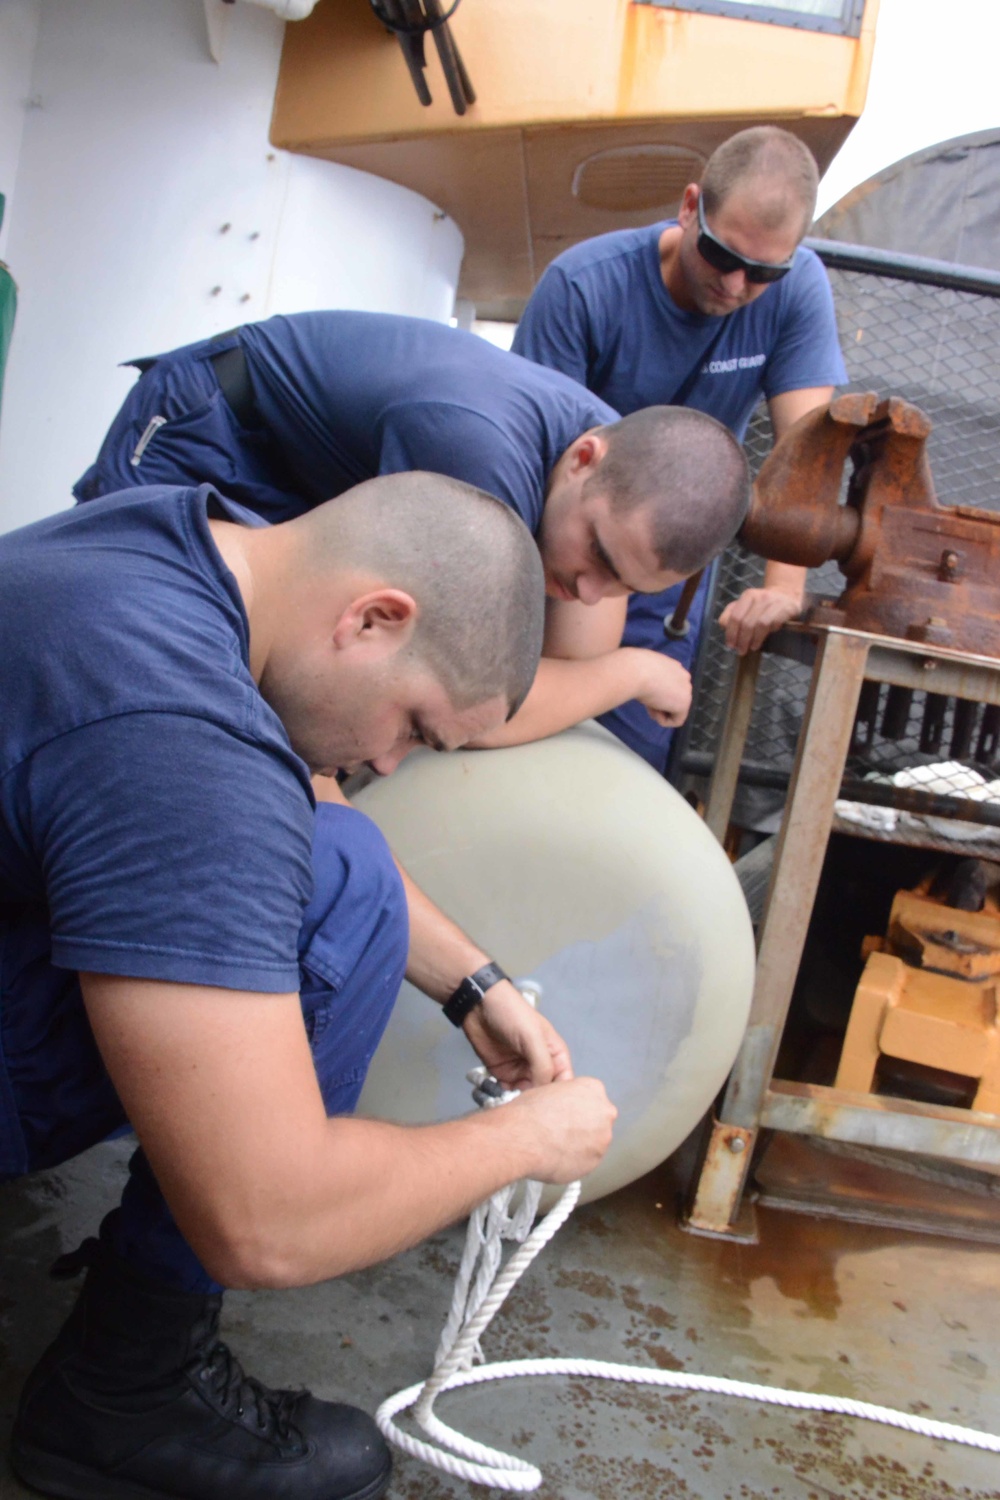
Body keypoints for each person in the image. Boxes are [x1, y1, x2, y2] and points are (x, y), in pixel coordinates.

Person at [0, 472, 617, 1500]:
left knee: (347, 859)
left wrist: (471, 985)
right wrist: (528, 1140)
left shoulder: (163, 546)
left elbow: (296, 808)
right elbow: (268, 1223)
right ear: (374, 618)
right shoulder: (180, 741)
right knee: (343, 888)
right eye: (415, 726)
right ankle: (124, 1396)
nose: (385, 758)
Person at [74, 309, 751, 750]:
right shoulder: (478, 454)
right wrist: (633, 671)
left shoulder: (620, 481)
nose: (585, 587)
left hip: (292, 482)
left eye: (621, 585)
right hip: (211, 431)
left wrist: (594, 662)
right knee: (150, 672)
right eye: (598, 553)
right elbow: (483, 706)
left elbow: (563, 670)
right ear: (583, 458)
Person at [513, 125, 848, 773]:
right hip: (567, 549)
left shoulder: (797, 289)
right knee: (541, 730)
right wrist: (585, 594)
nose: (736, 285)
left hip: (668, 571)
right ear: (690, 206)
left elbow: (808, 453)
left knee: (629, 755)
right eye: (722, 256)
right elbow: (540, 460)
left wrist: (784, 585)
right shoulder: (584, 287)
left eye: (763, 271)